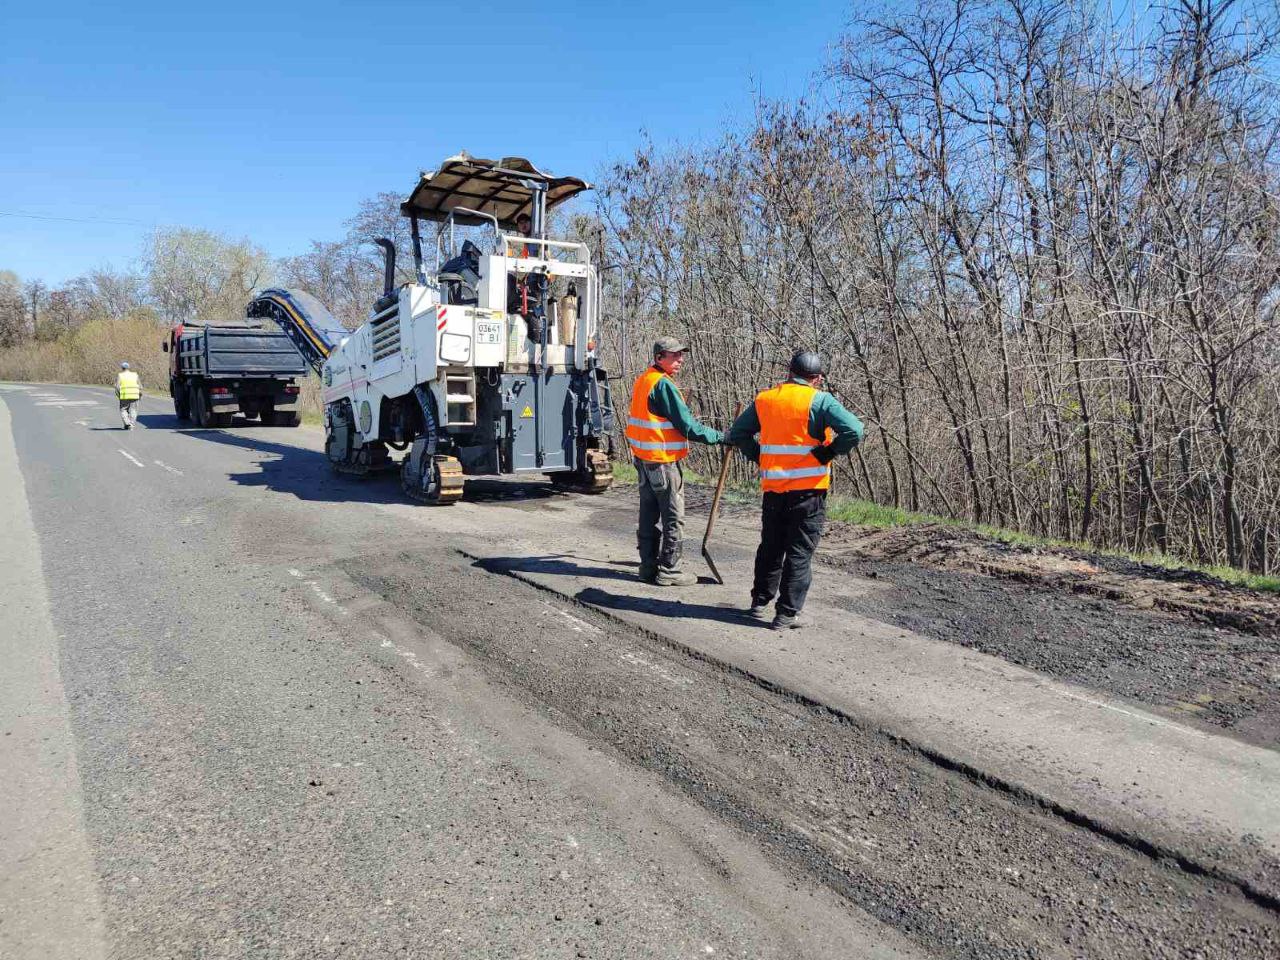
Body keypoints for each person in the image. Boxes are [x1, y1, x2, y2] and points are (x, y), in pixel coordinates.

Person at [726, 351, 863, 629]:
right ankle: (786, 613)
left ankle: (759, 602)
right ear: (817, 378)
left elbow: (739, 434)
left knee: (771, 547)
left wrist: (760, 456)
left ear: (789, 372)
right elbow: (855, 431)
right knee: (799, 551)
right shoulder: (820, 400)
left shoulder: (766, 399)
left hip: (774, 488)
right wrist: (829, 453)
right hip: (808, 492)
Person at [626, 337, 723, 585]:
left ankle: (647, 567)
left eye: (681, 355)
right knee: (673, 517)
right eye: (674, 355)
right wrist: (721, 437)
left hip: (644, 461)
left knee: (648, 515)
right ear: (659, 357)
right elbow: (688, 426)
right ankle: (670, 571)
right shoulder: (662, 385)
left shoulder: (644, 380)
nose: (680, 359)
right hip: (663, 463)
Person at [116, 361, 141, 430]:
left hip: (124, 396)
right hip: (135, 395)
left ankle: (127, 422)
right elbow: (140, 386)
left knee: (123, 410)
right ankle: (131, 424)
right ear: (128, 368)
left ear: (122, 368)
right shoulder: (135, 375)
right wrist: (140, 394)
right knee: (134, 410)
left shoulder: (120, 375)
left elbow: (117, 387)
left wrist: (119, 395)